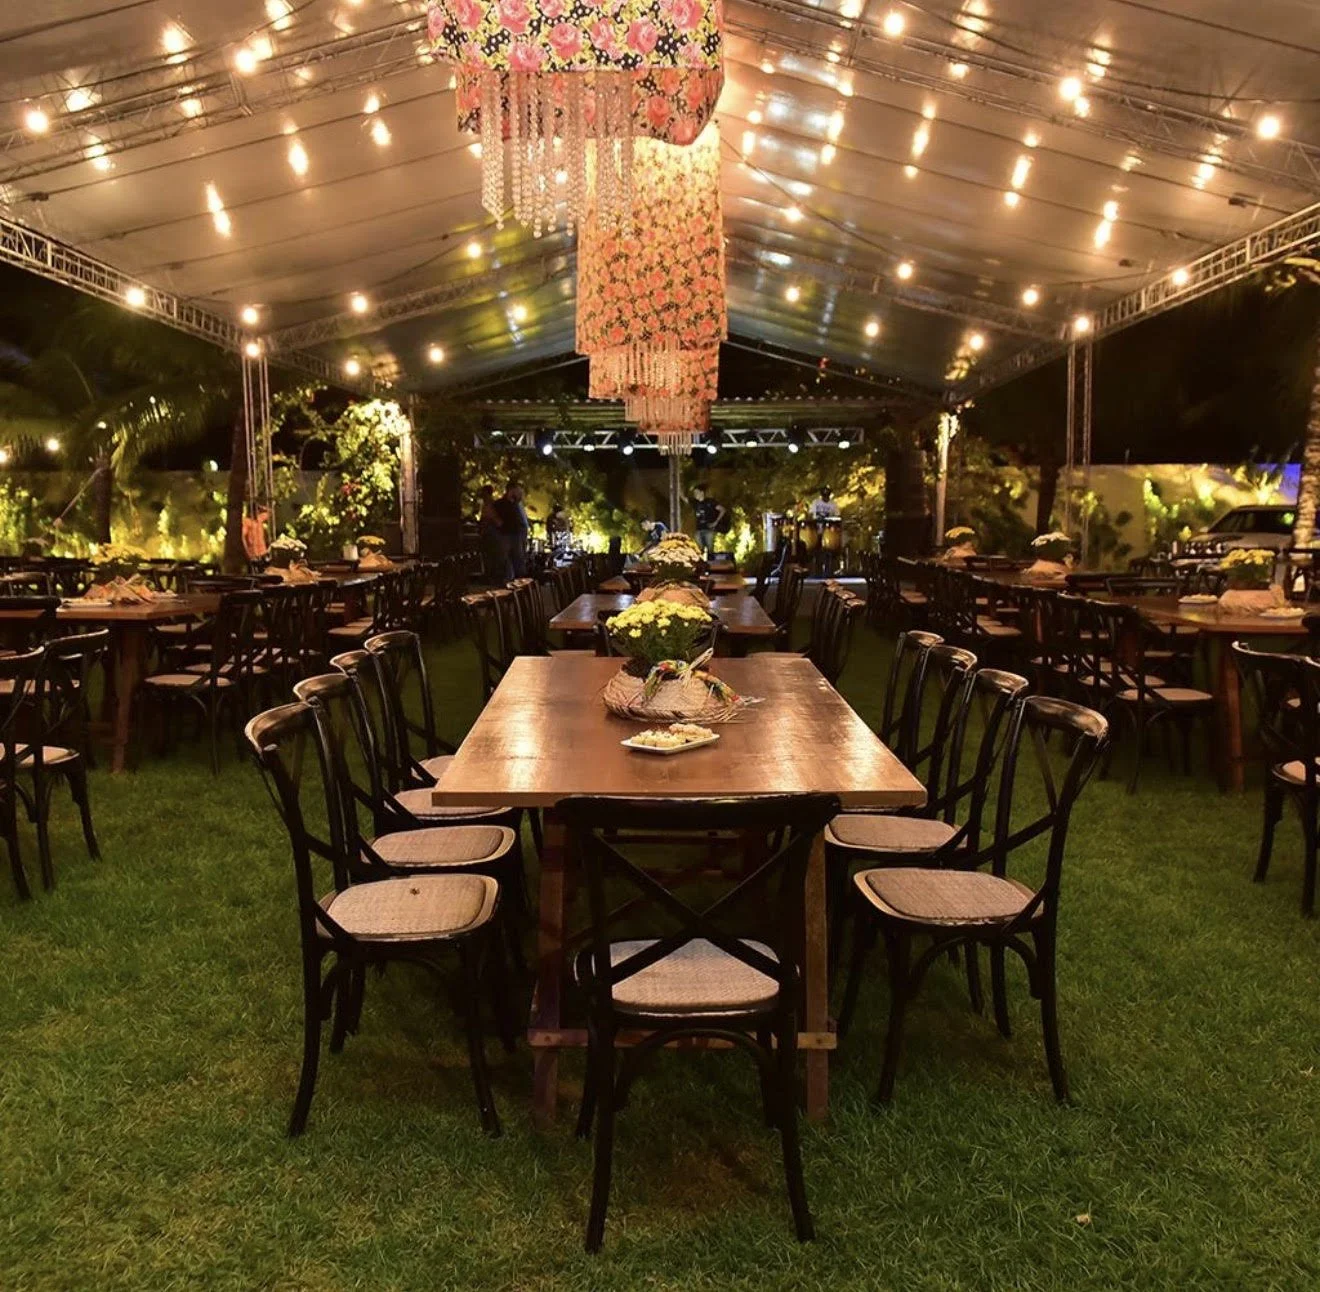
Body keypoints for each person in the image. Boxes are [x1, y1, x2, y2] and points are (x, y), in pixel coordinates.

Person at [494, 479, 530, 579]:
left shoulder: (516, 505)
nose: (520, 494)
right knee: (509, 562)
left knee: (519, 560)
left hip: (517, 535)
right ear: (512, 490)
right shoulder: (500, 504)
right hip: (507, 536)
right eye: (519, 491)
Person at [477, 485, 504, 583]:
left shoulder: (490, 505)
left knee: (490, 555)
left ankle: (491, 576)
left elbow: (489, 519)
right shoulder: (487, 504)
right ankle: (490, 575)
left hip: (490, 533)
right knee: (488, 555)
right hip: (488, 533)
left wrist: (483, 528)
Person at [691, 485, 727, 557]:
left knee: (710, 550)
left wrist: (715, 522)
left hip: (709, 530)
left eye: (697, 492)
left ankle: (710, 565)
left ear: (702, 493)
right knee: (699, 550)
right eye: (694, 493)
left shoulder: (710, 501)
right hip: (699, 530)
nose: (695, 495)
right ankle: (701, 566)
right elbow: (684, 498)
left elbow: (722, 510)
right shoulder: (695, 503)